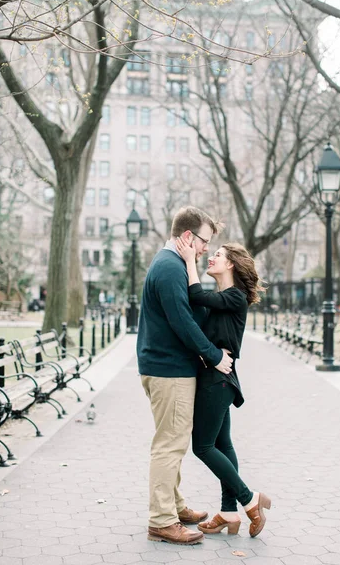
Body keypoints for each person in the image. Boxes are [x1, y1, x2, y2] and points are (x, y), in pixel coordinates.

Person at [137, 206, 233, 546]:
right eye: (205, 241)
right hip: (169, 370)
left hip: (168, 368)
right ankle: (162, 520)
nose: (207, 248)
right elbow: (182, 322)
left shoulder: (174, 264)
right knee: (169, 445)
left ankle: (174, 506)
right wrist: (215, 356)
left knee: (172, 441)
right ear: (188, 237)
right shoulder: (168, 268)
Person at [176, 237, 271, 538]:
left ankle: (249, 499)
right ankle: (229, 512)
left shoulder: (235, 297)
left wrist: (189, 259)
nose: (210, 258)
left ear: (230, 263)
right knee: (222, 444)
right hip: (217, 379)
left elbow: (195, 295)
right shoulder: (224, 297)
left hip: (217, 381)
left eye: (216, 255)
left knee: (203, 446)